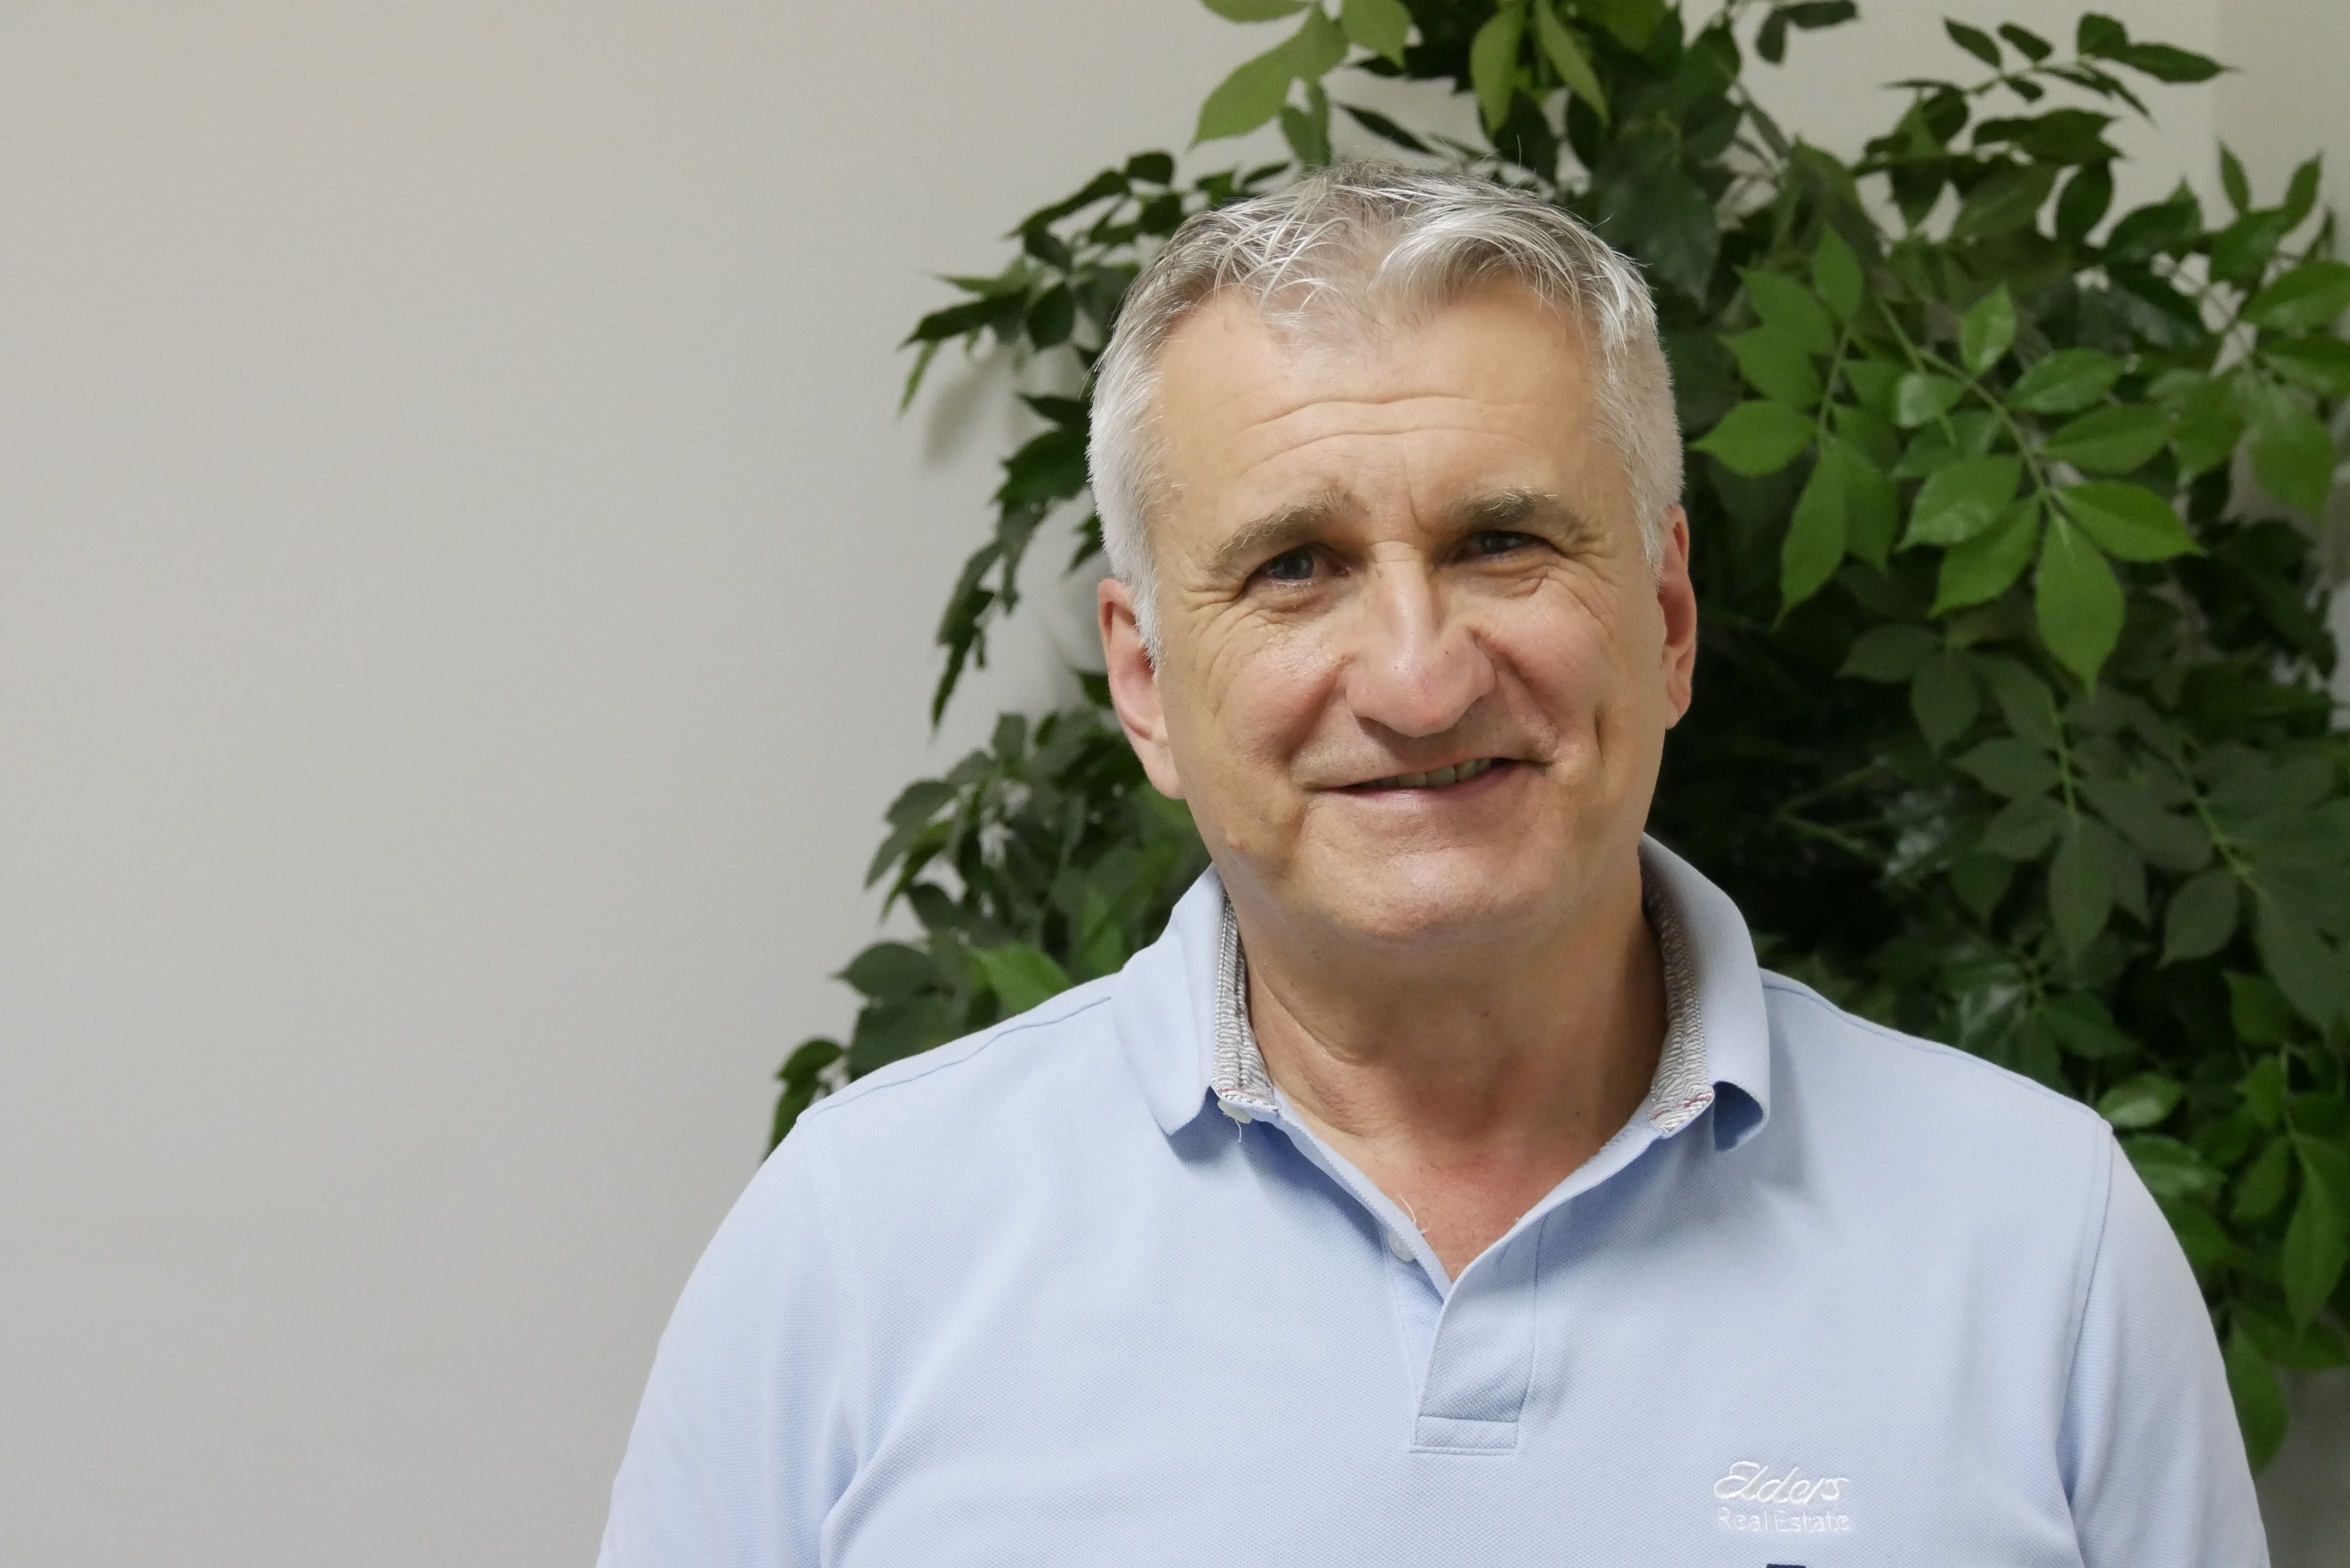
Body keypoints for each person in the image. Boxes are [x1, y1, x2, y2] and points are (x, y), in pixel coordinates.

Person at [598, 163, 2265, 1566]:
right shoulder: (857, 1247)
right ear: (1144, 684)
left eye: (1504, 542)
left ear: (1669, 621)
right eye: (1297, 566)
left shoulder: (2044, 1246)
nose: (1417, 675)